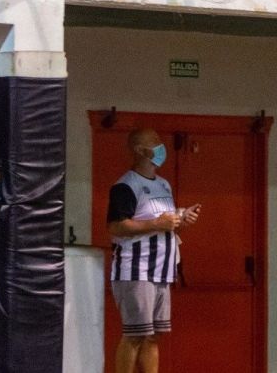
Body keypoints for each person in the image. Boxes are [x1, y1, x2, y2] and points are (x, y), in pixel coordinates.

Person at [106, 128, 201, 373]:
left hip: (162, 270)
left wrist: (181, 218)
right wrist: (156, 224)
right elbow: (116, 225)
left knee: (153, 335)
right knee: (135, 334)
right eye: (155, 142)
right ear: (140, 150)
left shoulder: (163, 184)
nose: (161, 147)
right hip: (136, 270)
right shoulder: (126, 185)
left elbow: (163, 222)